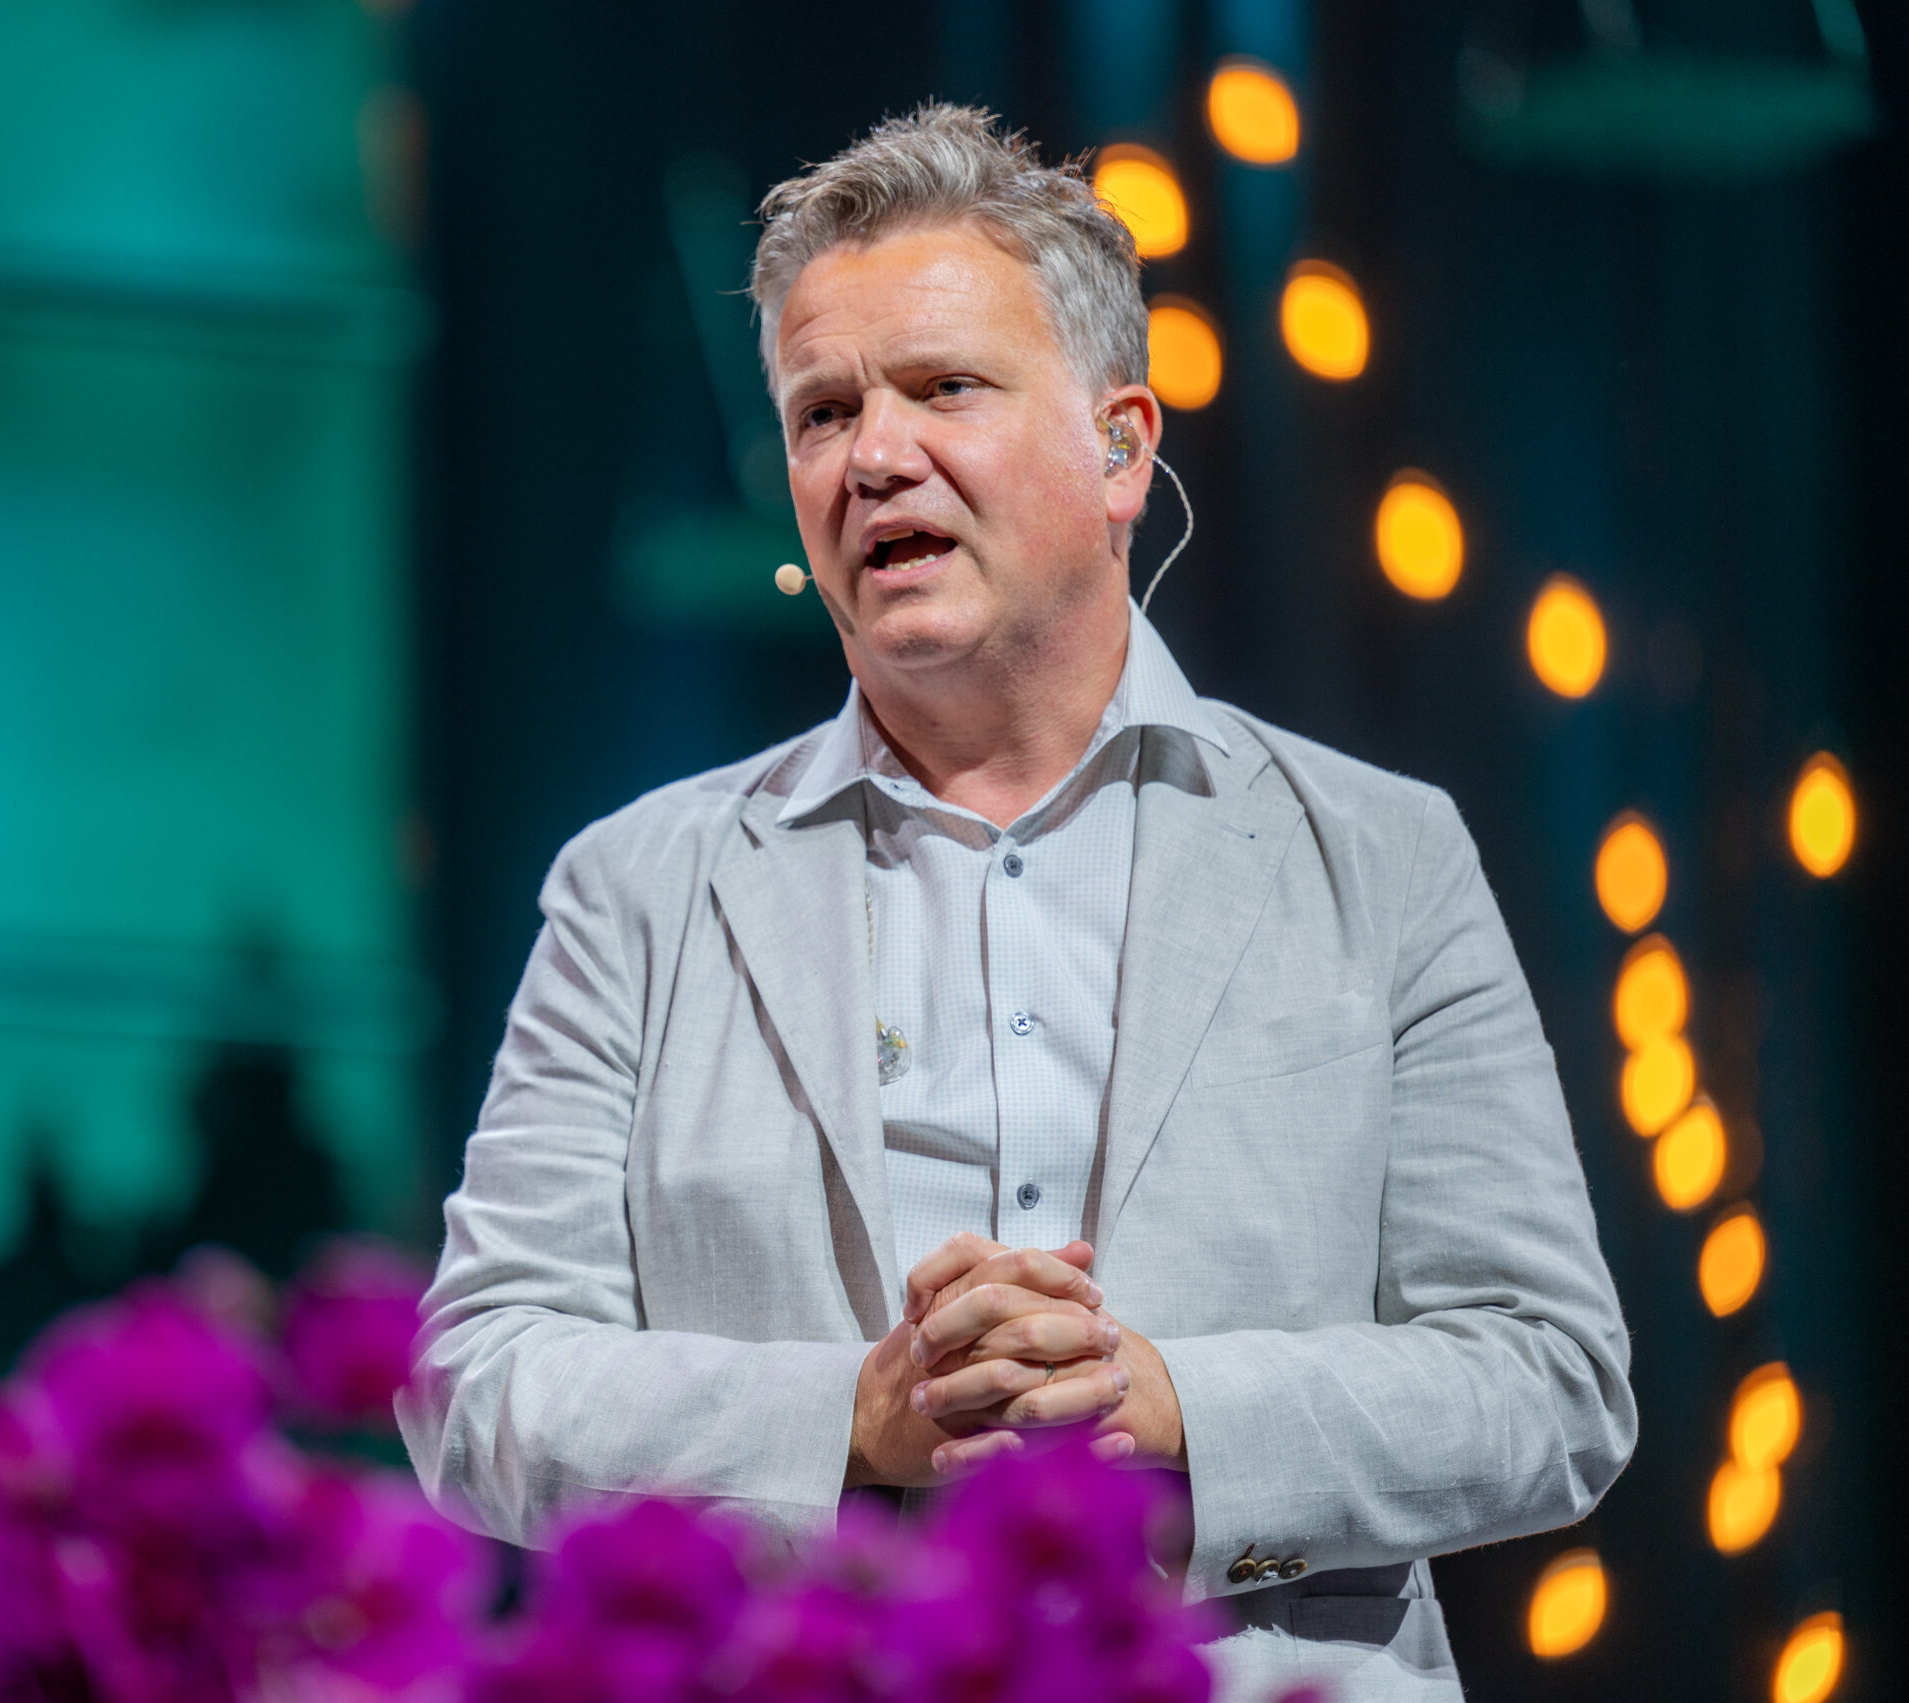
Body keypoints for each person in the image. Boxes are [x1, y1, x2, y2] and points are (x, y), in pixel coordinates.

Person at [399, 105, 1635, 1699]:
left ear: (1120, 444)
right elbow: (476, 1380)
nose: (874, 454)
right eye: (822, 410)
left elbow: (1548, 1382)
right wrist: (856, 1420)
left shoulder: (1379, 856)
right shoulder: (639, 889)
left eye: (943, 389)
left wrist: (1164, 1407)